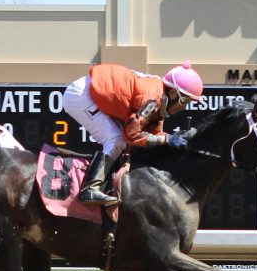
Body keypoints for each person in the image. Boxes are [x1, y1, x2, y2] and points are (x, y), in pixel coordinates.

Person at [62, 61, 204, 206]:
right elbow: (131, 135)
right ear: (173, 93)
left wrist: (172, 141)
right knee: (116, 139)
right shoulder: (152, 100)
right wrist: (168, 139)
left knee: (122, 144)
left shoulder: (159, 99)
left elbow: (154, 135)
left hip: (92, 91)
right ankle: (89, 189)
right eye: (185, 101)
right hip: (81, 96)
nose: (184, 107)